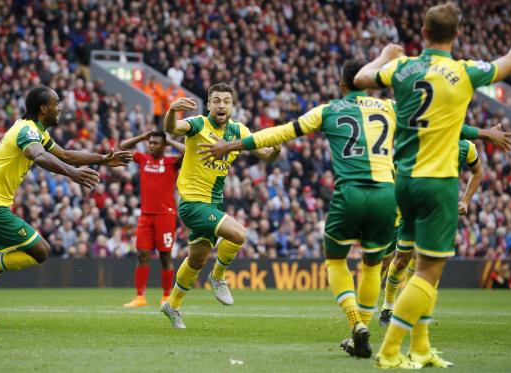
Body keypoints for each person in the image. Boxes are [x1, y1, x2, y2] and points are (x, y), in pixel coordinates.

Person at [354, 3, 511, 368]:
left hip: (404, 181)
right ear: (457, 35)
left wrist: (384, 54)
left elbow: (360, 78)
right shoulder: (463, 71)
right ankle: (390, 351)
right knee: (428, 272)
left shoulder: (402, 67)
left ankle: (420, 347)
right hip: (438, 184)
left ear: (422, 33)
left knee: (418, 267)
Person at [200, 61, 397, 358]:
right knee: (372, 265)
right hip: (386, 193)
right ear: (369, 82)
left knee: (335, 262)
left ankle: (356, 323)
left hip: (350, 193)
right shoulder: (391, 107)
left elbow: (280, 133)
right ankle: (363, 327)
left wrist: (231, 146)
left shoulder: (328, 110)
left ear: (341, 85)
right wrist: (482, 134)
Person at [0, 86, 132, 332]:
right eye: (57, 103)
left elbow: (64, 154)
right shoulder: (27, 131)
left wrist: (103, 159)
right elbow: (39, 156)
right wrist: (72, 174)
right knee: (40, 251)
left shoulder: (36, 131)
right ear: (43, 109)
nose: (61, 107)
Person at [160, 83, 280, 329]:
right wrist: (172, 110)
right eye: (216, 100)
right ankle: (218, 277)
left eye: (226, 101)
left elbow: (267, 155)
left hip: (214, 203)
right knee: (239, 234)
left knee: (196, 260)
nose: (221, 105)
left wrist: (276, 148)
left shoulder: (238, 131)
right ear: (208, 104)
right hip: (192, 204)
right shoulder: (198, 125)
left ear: (232, 106)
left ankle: (172, 305)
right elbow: (171, 127)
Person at [379, 138, 484, 327]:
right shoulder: (425, 137)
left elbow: (477, 171)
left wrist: (466, 200)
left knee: (425, 260)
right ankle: (387, 306)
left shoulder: (466, 147)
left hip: (435, 211)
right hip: (406, 208)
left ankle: (408, 308)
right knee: (400, 260)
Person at [119, 130, 185, 307]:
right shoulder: (143, 159)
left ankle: (166, 296)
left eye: (156, 143)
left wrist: (169, 140)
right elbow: (122, 147)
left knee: (165, 257)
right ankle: (140, 297)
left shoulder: (171, 162)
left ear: (164, 146)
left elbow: (187, 152)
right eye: (150, 142)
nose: (151, 145)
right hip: (146, 216)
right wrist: (141, 136)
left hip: (165, 216)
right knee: (142, 255)